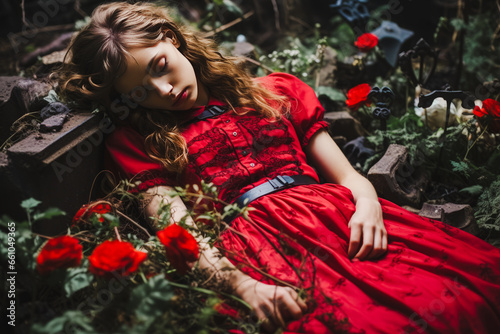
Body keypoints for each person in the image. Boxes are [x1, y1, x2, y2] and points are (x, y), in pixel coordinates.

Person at [58, 2, 500, 333]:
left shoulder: (275, 90)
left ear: (172, 40)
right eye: (140, 91)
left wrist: (367, 202)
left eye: (161, 67)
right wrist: (241, 285)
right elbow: (181, 233)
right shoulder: (138, 140)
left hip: (341, 218)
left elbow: (347, 176)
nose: (163, 89)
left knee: (468, 294)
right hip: (256, 250)